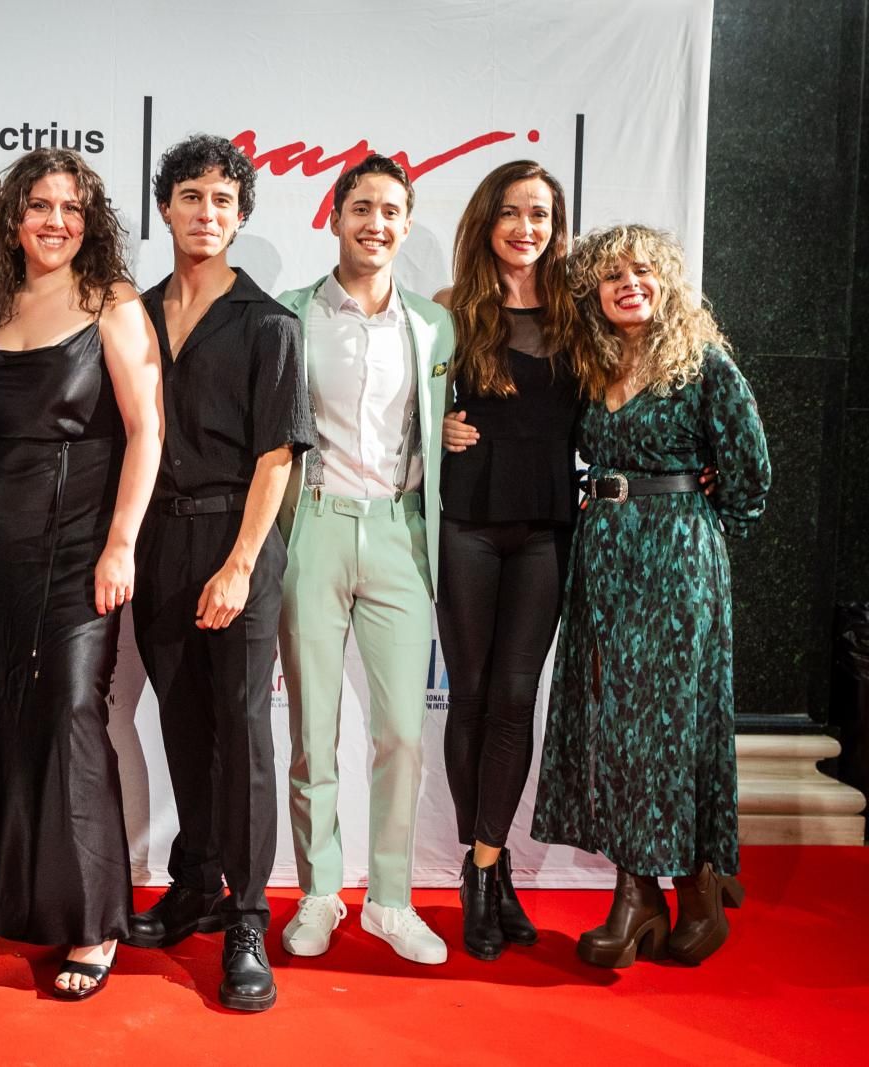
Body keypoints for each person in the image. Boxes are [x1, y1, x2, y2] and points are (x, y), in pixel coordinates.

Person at [532, 224, 769, 968]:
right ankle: (641, 890)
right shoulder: (588, 362)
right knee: (612, 722)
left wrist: (694, 533)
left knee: (672, 723)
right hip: (602, 553)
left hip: (676, 561)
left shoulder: (704, 365)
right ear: (593, 294)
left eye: (642, 270)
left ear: (665, 281)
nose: (628, 283)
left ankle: (690, 885)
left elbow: (750, 480)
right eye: (612, 275)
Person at [0, 147, 163, 1001]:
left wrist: (121, 544)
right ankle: (14, 898)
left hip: (79, 547)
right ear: (14, 218)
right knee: (5, 719)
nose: (55, 220)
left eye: (71, 208)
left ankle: (91, 920)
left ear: (91, 222)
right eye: (39, 205)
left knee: (73, 712)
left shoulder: (112, 303)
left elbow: (146, 430)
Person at [124, 134, 312, 1013]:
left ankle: (246, 916)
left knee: (243, 733)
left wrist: (240, 565)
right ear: (165, 206)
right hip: (156, 541)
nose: (207, 212)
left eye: (223, 201)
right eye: (192, 196)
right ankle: (196, 879)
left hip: (238, 541)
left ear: (241, 218)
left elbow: (280, 455)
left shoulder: (271, 322)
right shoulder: (131, 310)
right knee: (183, 721)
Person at [274, 154, 454, 967]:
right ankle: (319, 890)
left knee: (403, 735)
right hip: (310, 525)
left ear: (406, 225)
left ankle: (389, 898)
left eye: (390, 210)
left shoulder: (435, 326)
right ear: (334, 216)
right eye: (361, 208)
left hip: (401, 534)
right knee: (313, 730)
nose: (374, 223)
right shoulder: (290, 314)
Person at [431, 160, 584, 959]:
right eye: (514, 212)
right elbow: (406, 410)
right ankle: (485, 870)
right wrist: (440, 430)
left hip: (548, 529)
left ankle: (486, 869)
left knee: (516, 700)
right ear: (487, 219)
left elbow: (620, 401)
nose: (527, 227)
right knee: (473, 697)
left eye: (543, 215)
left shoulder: (576, 313)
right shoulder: (452, 312)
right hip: (469, 525)